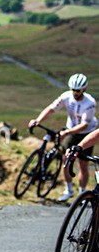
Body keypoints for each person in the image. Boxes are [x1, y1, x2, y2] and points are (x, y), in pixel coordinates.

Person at [28, 73, 97, 202]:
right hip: (71, 131)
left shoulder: (90, 103)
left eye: (78, 91)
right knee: (66, 159)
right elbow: (51, 109)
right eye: (73, 90)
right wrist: (38, 120)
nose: (75, 93)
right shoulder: (66, 96)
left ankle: (82, 194)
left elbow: (84, 125)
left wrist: (66, 132)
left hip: (86, 133)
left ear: (84, 89)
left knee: (83, 164)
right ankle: (69, 190)